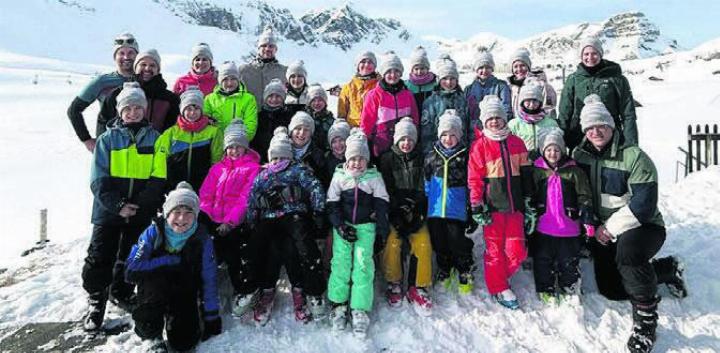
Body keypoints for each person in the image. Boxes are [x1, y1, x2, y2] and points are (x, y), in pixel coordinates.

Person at [571, 94, 687, 353]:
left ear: (612, 126)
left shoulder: (634, 157)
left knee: (629, 255)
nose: (596, 131)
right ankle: (666, 270)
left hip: (643, 227)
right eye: (590, 127)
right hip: (603, 231)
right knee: (612, 289)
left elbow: (644, 206)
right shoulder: (580, 155)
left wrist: (608, 229)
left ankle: (646, 323)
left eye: (601, 125)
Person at [82, 82, 167, 332]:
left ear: (144, 110)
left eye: (138, 108)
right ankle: (97, 300)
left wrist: (139, 204)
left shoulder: (155, 139)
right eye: (127, 108)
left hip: (140, 211)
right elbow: (98, 179)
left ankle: (121, 290)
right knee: (100, 256)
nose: (133, 112)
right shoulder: (107, 140)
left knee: (132, 255)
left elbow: (158, 177)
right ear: (120, 111)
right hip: (108, 211)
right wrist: (118, 205)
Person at [245, 127, 328, 325]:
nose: (278, 162)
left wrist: (318, 211)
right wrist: (252, 219)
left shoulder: (297, 170)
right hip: (270, 217)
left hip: (293, 214)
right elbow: (252, 198)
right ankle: (253, 287)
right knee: (258, 245)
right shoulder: (263, 175)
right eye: (274, 158)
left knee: (304, 245)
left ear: (290, 158)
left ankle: (311, 289)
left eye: (282, 158)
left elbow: (315, 186)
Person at [125, 182, 221, 352]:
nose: (182, 219)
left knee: (184, 343)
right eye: (176, 212)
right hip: (155, 287)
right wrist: (167, 261)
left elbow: (209, 278)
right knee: (151, 298)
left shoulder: (203, 238)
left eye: (188, 213)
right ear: (167, 213)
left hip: (184, 287)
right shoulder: (153, 232)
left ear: (196, 215)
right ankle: (152, 337)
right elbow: (132, 269)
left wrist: (211, 316)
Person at [468, 95, 532, 310]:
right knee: (495, 251)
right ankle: (499, 287)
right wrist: (476, 203)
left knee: (517, 252)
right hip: (492, 209)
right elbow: (474, 178)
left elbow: (527, 174)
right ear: (484, 122)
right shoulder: (480, 146)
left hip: (515, 208)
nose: (494, 122)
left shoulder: (517, 143)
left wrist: (530, 200)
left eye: (498, 118)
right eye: (490, 119)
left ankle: (500, 278)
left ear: (505, 119)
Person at [326, 129, 389, 337]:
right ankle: (338, 304)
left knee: (363, 264)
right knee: (341, 263)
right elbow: (332, 205)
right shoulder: (339, 176)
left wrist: (381, 231)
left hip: (365, 227)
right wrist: (340, 227)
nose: (357, 163)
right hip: (343, 227)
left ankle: (359, 308)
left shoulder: (374, 177)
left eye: (361, 159)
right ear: (347, 158)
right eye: (353, 159)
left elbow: (382, 205)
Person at [199, 120, 262, 317]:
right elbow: (205, 195)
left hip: (236, 222)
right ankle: (202, 288)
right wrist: (207, 217)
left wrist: (230, 222)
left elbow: (245, 198)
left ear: (245, 147)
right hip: (213, 219)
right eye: (230, 147)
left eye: (238, 146)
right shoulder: (217, 168)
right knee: (203, 246)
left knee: (236, 251)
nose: (234, 150)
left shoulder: (252, 168)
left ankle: (244, 288)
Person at [528, 128, 592, 305]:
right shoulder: (538, 171)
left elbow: (584, 195)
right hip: (543, 226)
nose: (552, 153)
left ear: (562, 151)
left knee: (568, 259)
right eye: (548, 149)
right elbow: (530, 193)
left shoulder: (574, 171)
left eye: (556, 149)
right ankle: (545, 287)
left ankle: (569, 286)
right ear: (543, 151)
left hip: (568, 227)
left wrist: (586, 215)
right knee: (542, 259)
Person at [378, 117, 432, 316]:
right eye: (402, 139)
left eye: (410, 139)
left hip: (417, 207)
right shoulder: (387, 159)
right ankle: (394, 281)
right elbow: (385, 189)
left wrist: (419, 211)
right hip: (396, 208)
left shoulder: (422, 158)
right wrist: (396, 211)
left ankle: (418, 285)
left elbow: (425, 186)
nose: (406, 143)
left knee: (423, 240)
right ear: (396, 140)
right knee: (393, 241)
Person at [558, 37, 639, 152]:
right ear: (581, 56)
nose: (590, 57)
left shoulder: (616, 78)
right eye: (586, 54)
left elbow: (628, 114)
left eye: (594, 53)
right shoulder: (573, 80)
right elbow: (564, 113)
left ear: (601, 54)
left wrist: (631, 144)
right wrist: (560, 140)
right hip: (578, 139)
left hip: (610, 138)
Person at [424, 110, 474, 296]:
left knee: (457, 241)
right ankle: (445, 267)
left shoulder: (465, 156)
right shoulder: (431, 156)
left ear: (459, 136)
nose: (448, 139)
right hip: (436, 209)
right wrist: (426, 203)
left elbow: (471, 182)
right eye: (445, 135)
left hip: (456, 209)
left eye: (453, 135)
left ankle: (464, 267)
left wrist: (470, 206)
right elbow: (427, 182)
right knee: (439, 241)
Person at [67, 32, 138, 153]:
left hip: (139, 147)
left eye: (131, 53)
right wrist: (86, 140)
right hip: (108, 148)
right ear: (114, 57)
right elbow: (74, 110)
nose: (126, 57)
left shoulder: (145, 80)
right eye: (121, 53)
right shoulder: (102, 82)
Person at [156, 86, 224, 192]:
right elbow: (160, 160)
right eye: (188, 109)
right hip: (175, 186)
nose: (192, 113)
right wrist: (164, 184)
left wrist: (212, 183)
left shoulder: (213, 132)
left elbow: (217, 161)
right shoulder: (171, 133)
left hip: (202, 186)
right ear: (182, 110)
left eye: (196, 108)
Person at [99, 49, 179, 134]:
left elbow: (172, 129)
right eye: (143, 64)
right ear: (135, 68)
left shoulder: (170, 99)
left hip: (156, 145)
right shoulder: (117, 94)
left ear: (158, 70)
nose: (147, 68)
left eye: (152, 65)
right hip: (120, 146)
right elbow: (103, 121)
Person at [360, 51, 419, 161]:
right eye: (389, 71)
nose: (393, 75)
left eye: (396, 71)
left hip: (403, 148)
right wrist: (366, 146)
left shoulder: (407, 94)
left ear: (401, 73)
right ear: (383, 73)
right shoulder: (374, 95)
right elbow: (366, 124)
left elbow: (415, 120)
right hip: (381, 147)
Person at [421, 54, 470, 155]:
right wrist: (430, 153)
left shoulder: (463, 100)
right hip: (437, 153)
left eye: (452, 78)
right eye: (445, 79)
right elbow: (426, 131)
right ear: (439, 81)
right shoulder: (431, 102)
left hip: (461, 152)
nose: (448, 82)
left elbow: (469, 127)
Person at [203, 61, 258, 136]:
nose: (229, 83)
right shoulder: (210, 99)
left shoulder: (248, 99)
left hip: (238, 145)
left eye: (233, 79)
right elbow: (204, 122)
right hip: (215, 143)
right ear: (220, 81)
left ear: (238, 80)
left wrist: (237, 142)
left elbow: (251, 125)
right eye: (225, 79)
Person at [508, 82, 560, 161]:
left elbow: (558, 145)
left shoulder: (551, 123)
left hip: (545, 163)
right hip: (522, 164)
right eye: (528, 101)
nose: (531, 105)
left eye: (535, 101)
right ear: (522, 102)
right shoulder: (514, 124)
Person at [239, 26, 288, 107]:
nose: (267, 49)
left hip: (276, 117)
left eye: (271, 46)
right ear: (258, 48)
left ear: (276, 49)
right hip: (250, 117)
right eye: (264, 46)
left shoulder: (284, 72)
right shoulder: (244, 70)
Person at [249, 79, 294, 164]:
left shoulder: (289, 117)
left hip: (282, 161)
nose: (274, 99)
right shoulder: (259, 116)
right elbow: (253, 142)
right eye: (270, 96)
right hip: (261, 162)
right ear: (265, 98)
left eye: (278, 96)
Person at [507, 47, 557, 118]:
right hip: (517, 126)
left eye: (523, 65)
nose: (519, 69)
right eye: (515, 66)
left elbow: (550, 108)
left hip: (537, 125)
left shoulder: (541, 85)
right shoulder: (510, 86)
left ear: (528, 67)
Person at [464, 50, 512, 124]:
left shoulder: (501, 86)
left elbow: (506, 109)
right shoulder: (469, 89)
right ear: (476, 70)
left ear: (492, 69)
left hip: (494, 128)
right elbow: (466, 112)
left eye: (488, 67)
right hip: (474, 130)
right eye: (481, 67)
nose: (484, 70)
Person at [337, 51, 380, 127]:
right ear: (358, 65)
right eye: (363, 62)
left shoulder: (381, 85)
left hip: (375, 129)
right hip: (353, 129)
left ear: (374, 66)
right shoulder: (348, 87)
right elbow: (341, 116)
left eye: (370, 62)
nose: (366, 65)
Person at [288, 111, 329, 187]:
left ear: (311, 133)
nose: (302, 133)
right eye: (298, 128)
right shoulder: (281, 150)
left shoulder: (317, 155)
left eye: (306, 130)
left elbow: (323, 183)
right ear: (291, 131)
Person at [405, 46, 437, 113]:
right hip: (413, 117)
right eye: (416, 69)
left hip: (430, 117)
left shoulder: (434, 84)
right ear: (412, 70)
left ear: (427, 69)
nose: (419, 72)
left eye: (422, 68)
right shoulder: (407, 85)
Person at [305, 83, 335, 153]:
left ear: (325, 102)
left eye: (320, 100)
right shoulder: (304, 118)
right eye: (313, 100)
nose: (317, 103)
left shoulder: (331, 120)